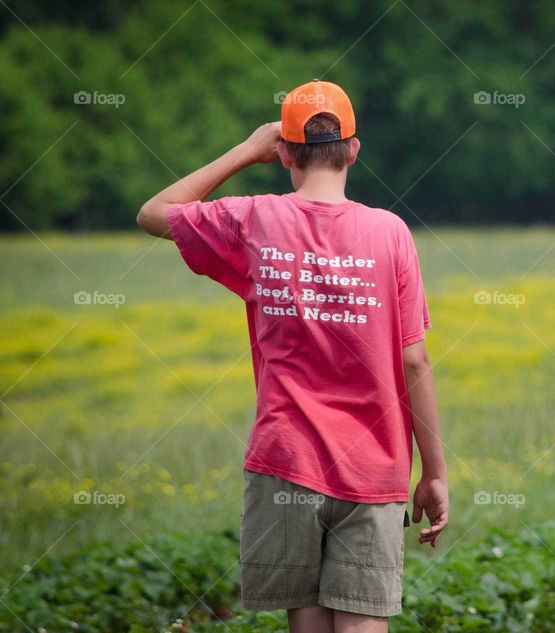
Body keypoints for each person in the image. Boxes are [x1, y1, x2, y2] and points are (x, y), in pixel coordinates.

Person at [136, 79, 449, 633]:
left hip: (287, 463)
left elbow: (155, 212)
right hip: (374, 470)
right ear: (354, 149)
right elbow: (415, 361)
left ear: (282, 153)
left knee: (305, 624)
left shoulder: (253, 220)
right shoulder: (391, 233)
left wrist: (243, 150)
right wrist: (435, 472)